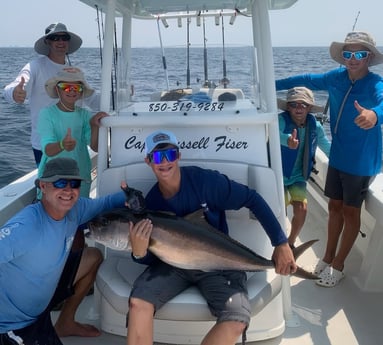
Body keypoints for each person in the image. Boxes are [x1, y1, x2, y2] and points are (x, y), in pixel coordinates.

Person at [125, 130, 297, 345]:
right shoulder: (152, 203)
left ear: (178, 156)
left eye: (170, 154)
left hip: (219, 262)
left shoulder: (205, 182)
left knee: (237, 319)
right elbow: (153, 257)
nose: (165, 162)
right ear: (148, 161)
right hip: (172, 264)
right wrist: (139, 254)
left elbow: (252, 199)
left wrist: (281, 243)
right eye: (158, 157)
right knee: (138, 303)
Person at [276, 31, 383, 287]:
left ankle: (338, 265)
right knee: (334, 206)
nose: (353, 59)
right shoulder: (335, 77)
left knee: (349, 211)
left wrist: (375, 115)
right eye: (348, 54)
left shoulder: (375, 83)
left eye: (359, 53)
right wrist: (269, 84)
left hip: (361, 159)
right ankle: (327, 256)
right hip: (338, 155)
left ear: (368, 57)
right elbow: (304, 79)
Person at [0, 157, 127, 344]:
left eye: (74, 183)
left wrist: (131, 195)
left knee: (93, 256)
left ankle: (65, 322)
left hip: (42, 308)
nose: (68, 190)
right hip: (13, 325)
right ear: (43, 186)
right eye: (60, 183)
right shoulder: (26, 227)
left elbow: (107, 202)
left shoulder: (76, 209)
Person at [3, 22, 98, 166]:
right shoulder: (35, 66)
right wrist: (15, 92)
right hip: (46, 146)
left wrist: (120, 95)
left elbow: (92, 99)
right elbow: (12, 87)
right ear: (47, 41)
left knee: (71, 187)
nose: (60, 41)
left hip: (74, 144)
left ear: (68, 41)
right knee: (51, 187)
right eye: (55, 38)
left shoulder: (74, 72)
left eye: (64, 37)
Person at [38, 66, 108, 198]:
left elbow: (96, 147)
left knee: (79, 215)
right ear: (57, 89)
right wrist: (62, 145)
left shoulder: (85, 115)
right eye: (66, 86)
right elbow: (47, 150)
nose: (71, 91)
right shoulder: (46, 114)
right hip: (54, 179)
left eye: (76, 88)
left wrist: (94, 126)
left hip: (79, 176)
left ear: (81, 92)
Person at [278, 87, 331, 249]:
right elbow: (273, 134)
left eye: (304, 105)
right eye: (294, 104)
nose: (299, 108)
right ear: (288, 107)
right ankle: (277, 242)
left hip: (299, 176)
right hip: (278, 173)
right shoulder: (280, 120)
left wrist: (345, 160)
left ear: (309, 108)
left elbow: (327, 147)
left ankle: (291, 242)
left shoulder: (316, 126)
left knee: (302, 208)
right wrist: (287, 140)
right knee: (280, 207)